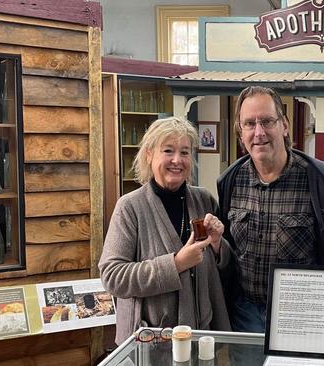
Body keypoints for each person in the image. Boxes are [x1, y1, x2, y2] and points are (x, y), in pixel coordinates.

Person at [217, 86, 324, 336]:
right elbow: (227, 253)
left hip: (303, 316)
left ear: (284, 125)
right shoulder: (230, 181)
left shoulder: (321, 183)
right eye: (249, 124)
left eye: (266, 121)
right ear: (239, 132)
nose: (259, 132)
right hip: (245, 316)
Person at [99, 116, 231, 345]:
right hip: (150, 341)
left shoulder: (204, 200)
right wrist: (177, 263)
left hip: (200, 339)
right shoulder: (130, 207)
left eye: (185, 152)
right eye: (168, 151)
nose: (177, 160)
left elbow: (224, 270)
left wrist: (219, 244)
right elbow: (113, 276)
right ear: (149, 154)